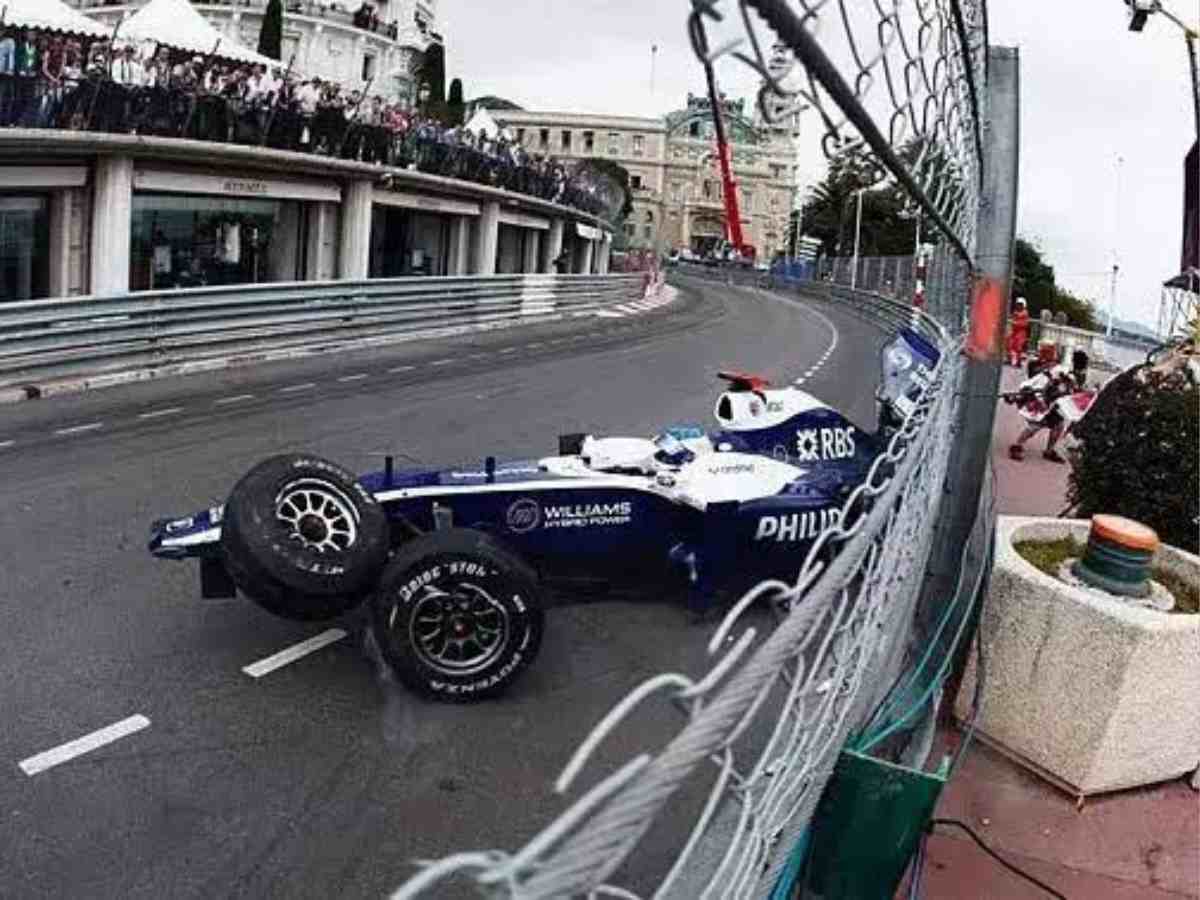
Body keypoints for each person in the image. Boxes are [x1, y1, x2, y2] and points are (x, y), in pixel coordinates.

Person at [1007, 349, 1089, 463]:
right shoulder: (1062, 370)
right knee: (1035, 426)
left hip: (1053, 403)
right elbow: (1043, 381)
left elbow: (1074, 392)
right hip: (1041, 399)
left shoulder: (1079, 376)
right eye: (1084, 364)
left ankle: (1049, 451)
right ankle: (1016, 446)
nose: (1085, 367)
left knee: (1058, 426)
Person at [1007, 296, 1030, 367]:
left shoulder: (1025, 313)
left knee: (1018, 347)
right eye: (1018, 304)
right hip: (1014, 331)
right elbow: (1013, 320)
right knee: (1009, 344)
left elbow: (1025, 323)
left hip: (1021, 333)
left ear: (1023, 305)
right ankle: (1010, 359)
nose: (1018, 305)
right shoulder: (1015, 312)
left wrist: (1016, 323)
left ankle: (1018, 362)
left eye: (1020, 304)